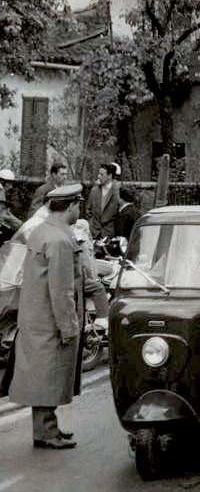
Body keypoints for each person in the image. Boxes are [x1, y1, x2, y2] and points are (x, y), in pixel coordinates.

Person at [9, 184, 87, 449]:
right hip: (50, 319)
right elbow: (62, 290)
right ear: (71, 206)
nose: (79, 210)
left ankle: (45, 428)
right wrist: (69, 327)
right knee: (50, 375)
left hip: (35, 315)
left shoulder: (41, 231)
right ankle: (47, 433)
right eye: (78, 205)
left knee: (41, 374)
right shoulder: (60, 240)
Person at [86, 163, 120, 242]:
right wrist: (91, 225)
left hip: (110, 235)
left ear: (109, 176)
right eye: (99, 174)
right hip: (93, 234)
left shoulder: (117, 191)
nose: (98, 176)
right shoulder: (94, 191)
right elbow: (88, 211)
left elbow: (120, 214)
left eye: (101, 174)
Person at [112, 187, 138, 254]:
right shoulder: (135, 210)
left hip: (124, 247)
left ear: (121, 199)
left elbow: (120, 232)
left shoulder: (124, 213)